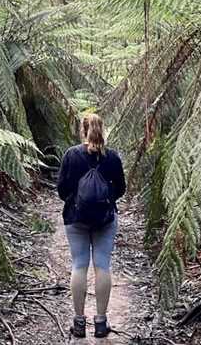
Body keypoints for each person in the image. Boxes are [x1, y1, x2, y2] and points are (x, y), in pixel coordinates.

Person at [56, 113, 126, 339]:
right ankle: (100, 323)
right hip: (105, 219)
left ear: (82, 130)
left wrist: (77, 199)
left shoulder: (71, 155)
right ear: (101, 129)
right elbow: (121, 189)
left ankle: (78, 324)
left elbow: (62, 190)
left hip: (76, 219)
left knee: (79, 265)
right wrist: (105, 199)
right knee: (102, 266)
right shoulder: (112, 157)